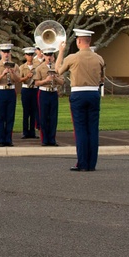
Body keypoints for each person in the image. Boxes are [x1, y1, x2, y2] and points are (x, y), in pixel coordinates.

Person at [56, 29, 105, 171]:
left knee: (81, 129)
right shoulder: (99, 58)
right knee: (93, 129)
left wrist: (60, 52)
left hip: (79, 94)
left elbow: (57, 70)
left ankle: (82, 163)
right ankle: (91, 163)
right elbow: (102, 78)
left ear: (78, 41)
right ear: (89, 41)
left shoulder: (73, 57)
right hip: (94, 93)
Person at [0, 44, 20, 147]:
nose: (6, 54)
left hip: (11, 91)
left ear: (10, 53)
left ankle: (9, 139)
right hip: (1, 91)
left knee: (10, 116)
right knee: (1, 116)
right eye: (4, 52)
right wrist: (2, 74)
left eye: (8, 52)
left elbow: (18, 80)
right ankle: (1, 139)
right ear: (1, 53)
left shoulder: (15, 65)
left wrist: (12, 73)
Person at [33, 46, 62, 146]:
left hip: (53, 92)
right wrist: (46, 80)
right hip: (44, 92)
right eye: (47, 55)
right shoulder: (39, 68)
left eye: (51, 55)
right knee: (44, 116)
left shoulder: (57, 67)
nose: (49, 57)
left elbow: (62, 82)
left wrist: (55, 78)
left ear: (53, 56)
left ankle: (52, 139)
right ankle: (45, 139)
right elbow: (36, 83)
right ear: (44, 56)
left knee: (53, 117)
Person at [19, 47, 39, 139]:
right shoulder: (22, 67)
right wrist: (27, 77)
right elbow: (19, 79)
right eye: (28, 55)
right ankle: (25, 131)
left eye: (31, 55)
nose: (30, 57)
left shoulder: (37, 67)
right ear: (25, 56)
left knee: (33, 111)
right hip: (26, 89)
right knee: (26, 111)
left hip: (34, 89)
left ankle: (32, 132)